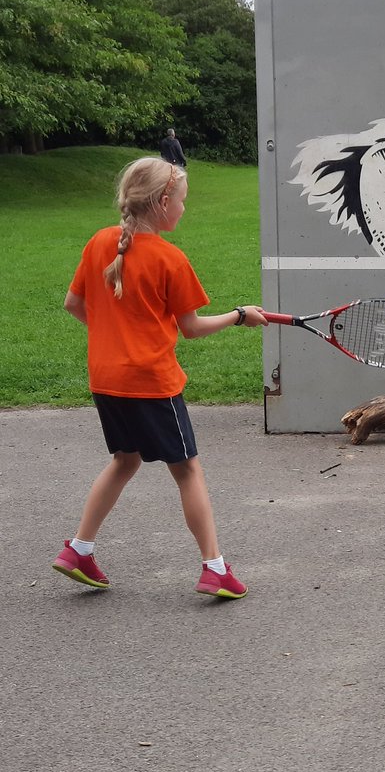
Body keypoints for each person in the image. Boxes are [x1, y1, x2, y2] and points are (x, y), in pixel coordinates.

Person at [53, 157, 267, 599]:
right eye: (183, 201)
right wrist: (239, 316)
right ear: (164, 201)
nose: (185, 210)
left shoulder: (99, 243)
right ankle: (215, 568)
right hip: (151, 383)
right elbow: (190, 327)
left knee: (125, 459)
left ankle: (78, 550)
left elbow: (74, 305)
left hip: (105, 380)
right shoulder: (170, 258)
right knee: (188, 469)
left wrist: (115, 336)